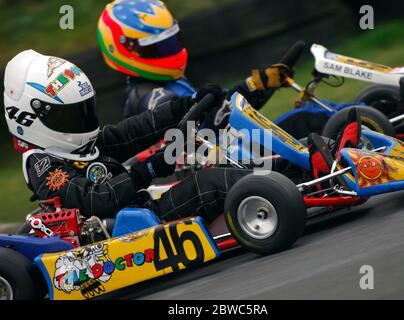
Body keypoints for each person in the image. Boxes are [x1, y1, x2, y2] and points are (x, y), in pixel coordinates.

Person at [4, 50, 295, 224]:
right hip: (123, 230)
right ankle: (285, 190)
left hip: (138, 210)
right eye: (71, 114)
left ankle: (294, 171)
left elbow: (135, 130)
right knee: (205, 184)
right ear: (30, 118)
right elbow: (96, 200)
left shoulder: (82, 145)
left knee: (218, 169)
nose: (82, 121)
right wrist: (149, 169)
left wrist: (187, 103)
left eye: (84, 111)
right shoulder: (43, 165)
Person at [97, 0, 291, 132]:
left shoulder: (170, 83)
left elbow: (215, 105)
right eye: (157, 48)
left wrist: (258, 85)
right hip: (205, 176)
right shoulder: (148, 98)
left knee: (304, 119)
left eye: (170, 42)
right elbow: (206, 129)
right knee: (306, 121)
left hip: (228, 158)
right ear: (126, 50)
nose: (169, 52)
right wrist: (251, 87)